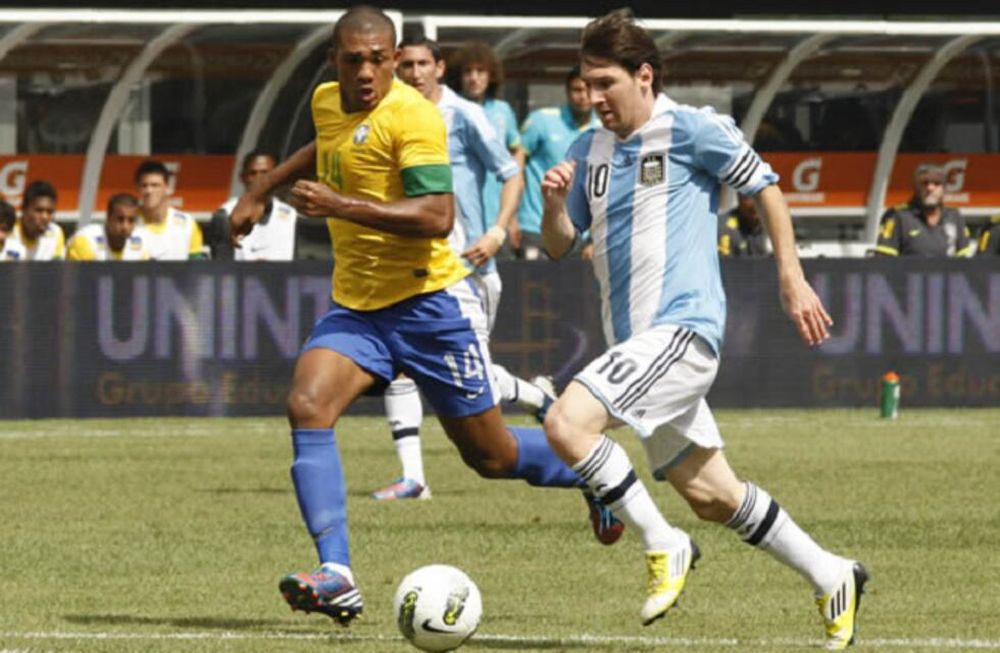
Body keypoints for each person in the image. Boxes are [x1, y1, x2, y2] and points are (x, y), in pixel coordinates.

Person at [227, 5, 622, 627]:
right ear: (334, 61)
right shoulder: (329, 101)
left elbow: (436, 216)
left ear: (393, 60)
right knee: (307, 404)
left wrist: (340, 204)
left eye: (378, 60)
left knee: (489, 457)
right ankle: (337, 574)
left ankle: (593, 472)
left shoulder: (413, 117)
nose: (366, 72)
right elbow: (321, 146)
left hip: (427, 307)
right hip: (357, 306)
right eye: (353, 60)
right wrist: (259, 190)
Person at [539, 9, 867, 650]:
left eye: (605, 83)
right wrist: (554, 206)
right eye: (586, 83)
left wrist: (791, 277)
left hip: (682, 332)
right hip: (636, 345)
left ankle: (664, 544)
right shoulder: (587, 149)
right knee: (711, 494)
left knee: (565, 423)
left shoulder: (692, 129)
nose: (594, 97)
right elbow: (558, 247)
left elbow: (766, 188)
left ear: (644, 75)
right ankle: (833, 575)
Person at [378, 37, 555, 501]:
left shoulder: (465, 115)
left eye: (422, 64)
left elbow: (510, 171)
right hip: (412, 265)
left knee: (464, 378)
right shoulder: (390, 112)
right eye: (406, 65)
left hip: (466, 268)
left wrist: (497, 230)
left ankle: (543, 405)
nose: (414, 73)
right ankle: (413, 478)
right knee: (403, 367)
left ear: (439, 67)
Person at [517, 65, 600, 260]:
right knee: (532, 290)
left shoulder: (604, 130)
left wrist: (595, 239)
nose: (583, 95)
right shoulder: (541, 120)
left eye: (589, 89)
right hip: (535, 227)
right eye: (577, 89)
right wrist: (512, 218)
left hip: (583, 234)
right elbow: (516, 166)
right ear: (567, 91)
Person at [452, 41, 523, 256]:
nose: (474, 78)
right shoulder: (452, 109)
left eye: (480, 71)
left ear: (491, 75)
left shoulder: (502, 111)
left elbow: (517, 151)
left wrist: (512, 217)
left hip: (497, 218)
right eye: (468, 72)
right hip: (462, 219)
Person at [206, 151, 298, 261]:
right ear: (242, 177)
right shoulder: (225, 215)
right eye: (252, 173)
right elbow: (222, 268)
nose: (259, 178)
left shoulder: (291, 215)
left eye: (265, 173)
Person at [874, 163, 974, 257]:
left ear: (944, 189)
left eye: (936, 183)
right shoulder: (898, 216)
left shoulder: (954, 216)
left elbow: (964, 262)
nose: (930, 188)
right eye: (924, 183)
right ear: (915, 187)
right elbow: (884, 262)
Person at [134, 159, 205, 260]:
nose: (149, 191)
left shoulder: (187, 224)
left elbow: (196, 270)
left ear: (167, 188)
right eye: (144, 185)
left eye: (155, 185)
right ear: (138, 188)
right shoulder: (128, 223)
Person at [67, 193, 149, 261]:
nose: (125, 227)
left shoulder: (142, 242)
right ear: (108, 218)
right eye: (120, 219)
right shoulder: (85, 240)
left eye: (131, 220)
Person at [10, 180, 65, 260]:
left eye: (50, 212)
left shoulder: (56, 233)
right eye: (39, 210)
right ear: (24, 209)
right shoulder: (7, 231)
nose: (45, 217)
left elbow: (56, 270)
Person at [718, 193, 769, 257]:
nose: (754, 204)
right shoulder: (723, 227)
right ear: (739, 198)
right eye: (749, 198)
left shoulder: (771, 226)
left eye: (759, 198)